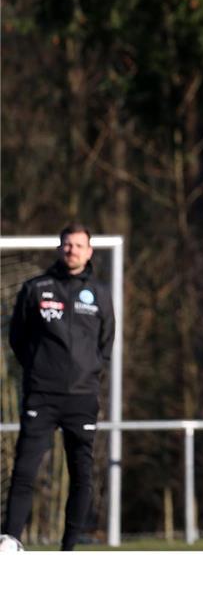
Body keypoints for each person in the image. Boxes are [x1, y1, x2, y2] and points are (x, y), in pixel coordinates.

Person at [2, 223, 115, 550]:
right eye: (67, 245)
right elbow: (18, 338)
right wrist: (39, 371)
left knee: (81, 474)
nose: (72, 250)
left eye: (79, 246)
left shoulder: (100, 293)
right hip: (42, 395)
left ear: (89, 251)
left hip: (82, 398)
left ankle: (69, 549)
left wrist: (89, 374)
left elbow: (105, 345)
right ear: (59, 248)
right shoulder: (37, 288)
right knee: (24, 468)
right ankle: (10, 541)